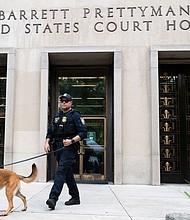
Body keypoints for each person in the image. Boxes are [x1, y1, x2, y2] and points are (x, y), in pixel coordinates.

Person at [44, 93, 87, 210]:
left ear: (70, 102)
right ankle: (75, 197)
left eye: (66, 101)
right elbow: (50, 132)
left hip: (70, 148)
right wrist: (47, 142)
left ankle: (53, 198)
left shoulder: (75, 116)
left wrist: (71, 141)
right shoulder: (56, 117)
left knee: (61, 171)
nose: (63, 102)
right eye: (62, 101)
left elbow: (83, 133)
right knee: (67, 173)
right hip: (58, 148)